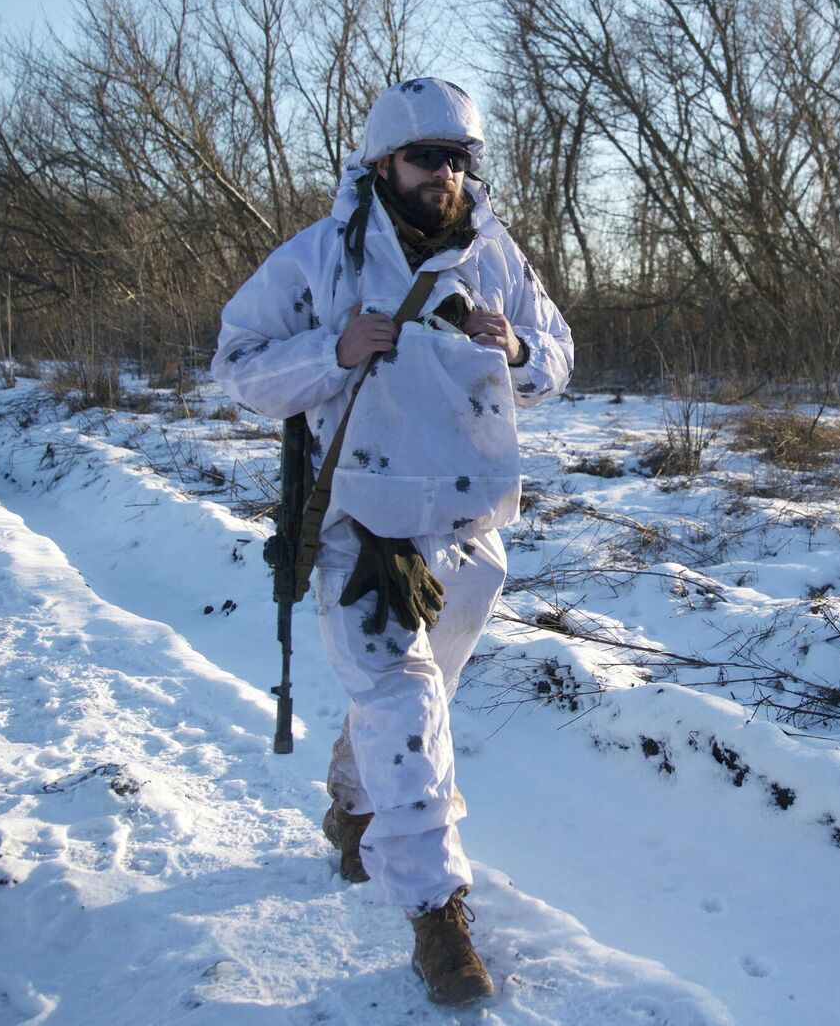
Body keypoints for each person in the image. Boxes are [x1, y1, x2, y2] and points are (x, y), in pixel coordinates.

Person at [210, 77, 573, 1006]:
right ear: (383, 164)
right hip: (362, 527)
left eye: (458, 159)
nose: (444, 174)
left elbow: (559, 351)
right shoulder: (319, 260)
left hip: (466, 525)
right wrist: (331, 349)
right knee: (408, 705)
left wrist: (522, 351)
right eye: (425, 157)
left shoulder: (495, 255)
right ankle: (437, 916)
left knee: (419, 696)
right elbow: (237, 365)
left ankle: (355, 803)